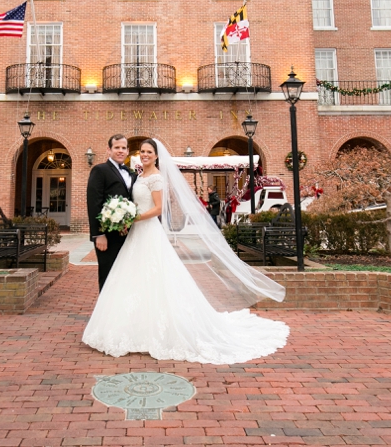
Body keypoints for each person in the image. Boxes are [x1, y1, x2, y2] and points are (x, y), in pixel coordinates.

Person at [82, 138, 289, 365]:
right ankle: (123, 324)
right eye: (141, 151)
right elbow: (96, 202)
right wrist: (101, 231)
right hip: (130, 234)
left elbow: (158, 208)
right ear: (111, 149)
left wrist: (133, 217)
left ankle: (155, 328)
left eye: (148, 151)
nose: (144, 155)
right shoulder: (134, 175)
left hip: (146, 230)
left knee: (155, 279)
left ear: (157, 155)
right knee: (128, 279)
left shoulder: (154, 177)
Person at [85, 134, 137, 291]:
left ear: (128, 151)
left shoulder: (132, 174)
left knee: (126, 275)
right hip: (107, 235)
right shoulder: (100, 170)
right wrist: (98, 234)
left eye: (123, 148)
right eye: (117, 148)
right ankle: (104, 314)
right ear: (109, 149)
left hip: (128, 234)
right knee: (108, 275)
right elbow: (94, 203)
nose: (120, 151)